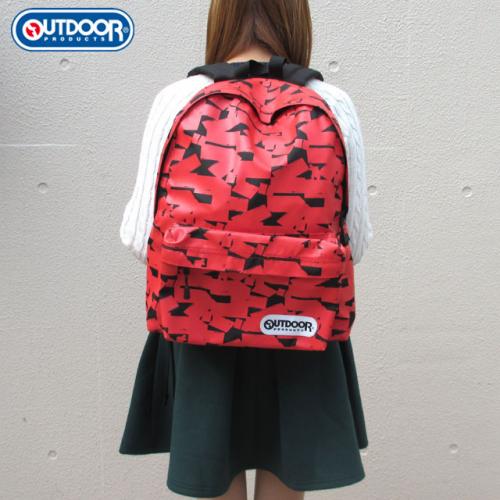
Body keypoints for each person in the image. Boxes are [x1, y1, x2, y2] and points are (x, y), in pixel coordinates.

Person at [118, 1, 374, 498]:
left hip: (198, 319)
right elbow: (356, 242)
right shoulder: (332, 102)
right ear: (297, 21)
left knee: (213, 476)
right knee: (288, 475)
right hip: (303, 321)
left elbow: (138, 237)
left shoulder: (178, 99)